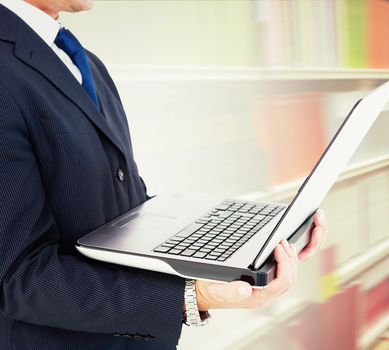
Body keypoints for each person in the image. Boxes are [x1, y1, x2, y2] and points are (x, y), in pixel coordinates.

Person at [0, 0, 328, 349]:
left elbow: (119, 204)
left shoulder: (81, 60)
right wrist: (190, 297)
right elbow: (19, 277)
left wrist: (227, 239)